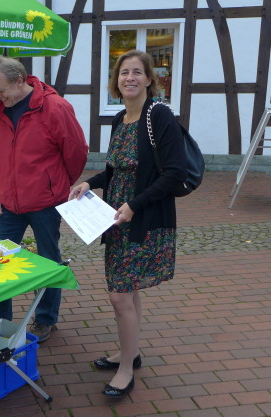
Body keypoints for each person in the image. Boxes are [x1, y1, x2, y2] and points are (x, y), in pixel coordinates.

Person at [68, 50, 187, 398]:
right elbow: (116, 169)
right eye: (123, 73)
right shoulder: (120, 119)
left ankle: (126, 370)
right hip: (117, 221)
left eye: (137, 72)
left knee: (119, 295)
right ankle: (130, 352)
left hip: (144, 221)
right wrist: (90, 182)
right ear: (116, 81)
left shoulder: (159, 116)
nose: (130, 78)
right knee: (127, 290)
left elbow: (175, 173)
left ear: (150, 79)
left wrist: (135, 205)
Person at [0, 55, 88, 342]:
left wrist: (56, 186)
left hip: (45, 203)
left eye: (1, 90)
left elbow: (76, 152)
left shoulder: (55, 107)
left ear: (20, 80)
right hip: (7, 204)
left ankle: (45, 319)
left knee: (49, 261)